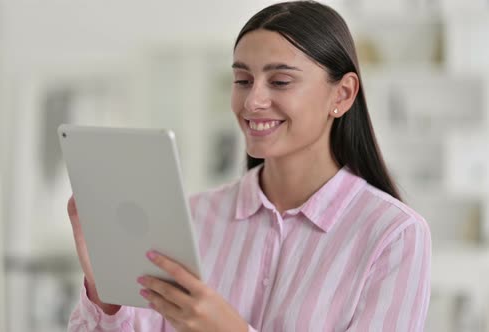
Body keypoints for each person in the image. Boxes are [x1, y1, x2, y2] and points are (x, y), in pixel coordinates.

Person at [67, 1, 431, 331]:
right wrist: (105, 294)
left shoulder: (393, 235)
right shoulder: (191, 218)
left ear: (342, 94)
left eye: (281, 81)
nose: (253, 100)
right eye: (242, 80)